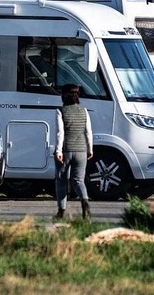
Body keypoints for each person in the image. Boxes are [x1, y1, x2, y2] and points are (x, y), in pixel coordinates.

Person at [54, 83, 93, 220]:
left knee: (61, 181)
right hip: (82, 150)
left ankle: (61, 211)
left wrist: (58, 150)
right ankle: (85, 202)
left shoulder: (61, 111)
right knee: (78, 181)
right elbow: (88, 132)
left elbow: (60, 133)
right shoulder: (84, 110)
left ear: (64, 96)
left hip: (66, 150)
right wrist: (90, 149)